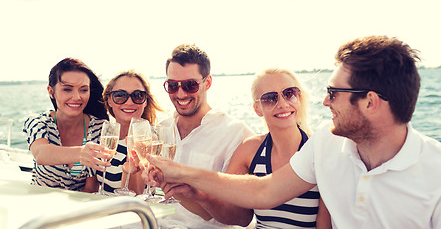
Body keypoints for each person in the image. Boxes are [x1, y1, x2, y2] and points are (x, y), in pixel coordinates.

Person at [146, 36, 441, 228]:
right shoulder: (328, 142)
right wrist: (183, 175)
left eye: (333, 92)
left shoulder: (435, 171)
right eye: (270, 98)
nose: (325, 101)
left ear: (370, 102)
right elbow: (264, 190)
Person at [155, 43, 255, 228]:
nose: (180, 93)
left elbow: (241, 217)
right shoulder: (162, 128)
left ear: (207, 83)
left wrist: (197, 194)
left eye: (190, 85)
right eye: (172, 85)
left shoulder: (235, 133)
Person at [23, 57, 109, 192]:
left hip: (78, 208)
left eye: (83, 90)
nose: (77, 97)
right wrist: (82, 152)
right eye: (67, 89)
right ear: (51, 92)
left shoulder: (99, 127)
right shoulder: (38, 122)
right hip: (39, 204)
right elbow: (41, 154)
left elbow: (91, 187)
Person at [94, 69, 162, 194]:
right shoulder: (103, 136)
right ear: (109, 100)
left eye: (138, 96)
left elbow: (136, 194)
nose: (129, 102)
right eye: (120, 96)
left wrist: (127, 171)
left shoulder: (148, 140)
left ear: (145, 101)